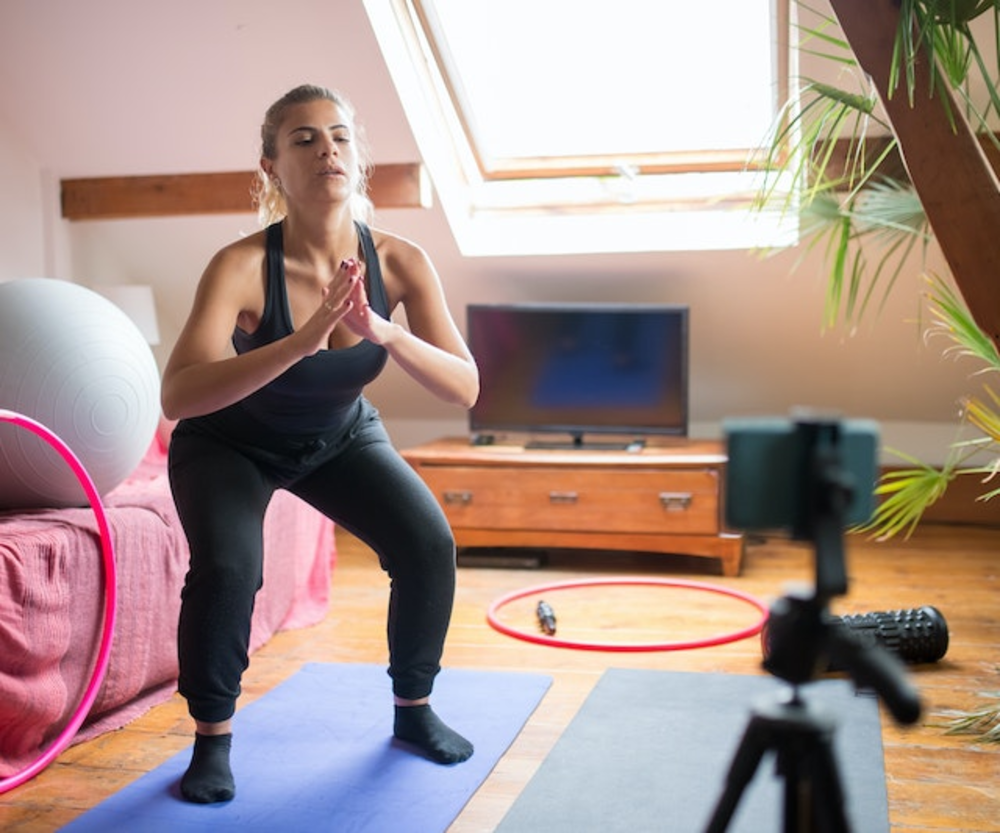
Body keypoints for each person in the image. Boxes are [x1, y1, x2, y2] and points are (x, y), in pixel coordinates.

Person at [160, 83, 479, 804]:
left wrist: (387, 332)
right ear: (272, 166)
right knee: (231, 568)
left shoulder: (399, 260)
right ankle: (212, 739)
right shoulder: (240, 266)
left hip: (337, 435)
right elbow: (178, 395)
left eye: (338, 136)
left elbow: (465, 387)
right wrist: (301, 342)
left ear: (356, 158)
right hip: (229, 443)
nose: (326, 149)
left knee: (427, 544)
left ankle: (413, 711)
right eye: (303, 138)